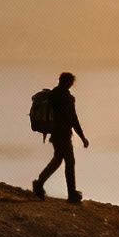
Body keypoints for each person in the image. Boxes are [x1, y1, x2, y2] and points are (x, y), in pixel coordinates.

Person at [33, 71, 87, 203]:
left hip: (56, 134)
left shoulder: (54, 94)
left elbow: (72, 119)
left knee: (58, 160)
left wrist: (81, 136)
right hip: (62, 134)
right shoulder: (66, 98)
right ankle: (72, 194)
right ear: (68, 82)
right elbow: (73, 119)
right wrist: (82, 137)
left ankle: (39, 183)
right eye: (71, 82)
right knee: (69, 162)